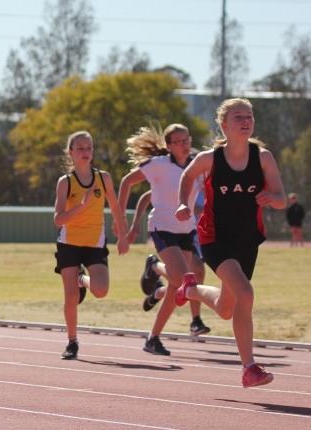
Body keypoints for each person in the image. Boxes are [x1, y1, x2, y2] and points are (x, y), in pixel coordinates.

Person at [176, 98, 287, 388]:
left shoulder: (262, 157)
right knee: (245, 293)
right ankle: (249, 368)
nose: (246, 120)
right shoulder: (209, 158)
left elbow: (281, 199)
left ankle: (190, 289)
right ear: (225, 125)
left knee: (227, 308)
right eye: (238, 116)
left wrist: (270, 198)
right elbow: (187, 176)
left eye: (249, 116)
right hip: (215, 237)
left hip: (247, 240)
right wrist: (182, 204)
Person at [118, 124, 210, 356]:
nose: (184, 144)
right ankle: (155, 266)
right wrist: (122, 220)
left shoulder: (198, 167)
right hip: (162, 227)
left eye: (186, 139)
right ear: (168, 146)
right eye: (178, 141)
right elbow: (127, 182)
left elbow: (204, 199)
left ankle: (153, 338)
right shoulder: (159, 165)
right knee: (182, 278)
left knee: (174, 288)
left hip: (186, 230)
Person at [53, 131, 129, 360]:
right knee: (71, 296)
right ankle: (72, 342)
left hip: (95, 243)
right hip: (69, 243)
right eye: (80, 148)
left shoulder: (103, 178)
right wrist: (82, 206)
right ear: (71, 153)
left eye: (89, 148)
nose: (85, 152)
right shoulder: (65, 182)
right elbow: (58, 219)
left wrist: (122, 234)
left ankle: (81, 278)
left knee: (101, 290)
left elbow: (115, 206)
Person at [130, 191, 211, 337]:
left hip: (196, 234)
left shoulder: (205, 179)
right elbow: (148, 195)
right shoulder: (182, 175)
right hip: (173, 232)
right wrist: (134, 223)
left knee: (180, 282)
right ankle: (196, 320)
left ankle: (158, 292)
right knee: (193, 273)